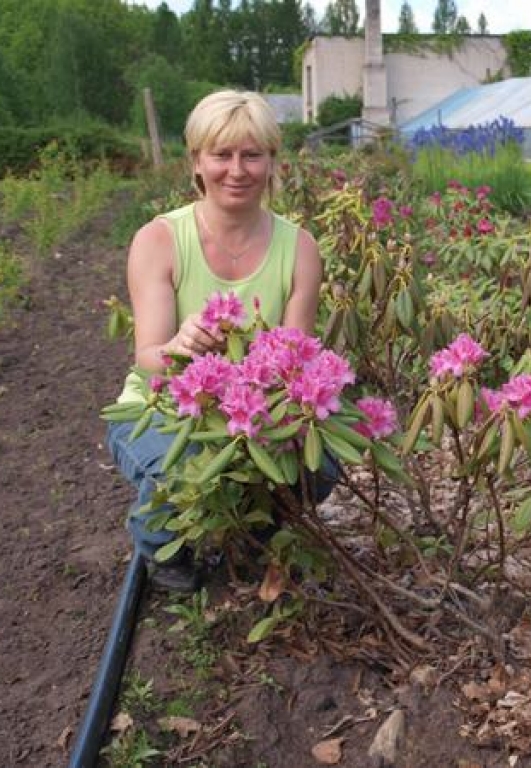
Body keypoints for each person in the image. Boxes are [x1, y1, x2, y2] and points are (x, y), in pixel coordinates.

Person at [106, 90, 328, 592]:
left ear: (273, 162)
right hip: (163, 408)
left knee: (322, 461)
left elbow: (297, 358)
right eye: (221, 155)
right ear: (197, 162)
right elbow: (148, 358)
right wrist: (181, 346)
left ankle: (255, 539)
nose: (237, 170)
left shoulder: (300, 248)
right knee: (180, 465)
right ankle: (161, 542)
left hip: (260, 409)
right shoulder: (159, 240)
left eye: (252, 155)